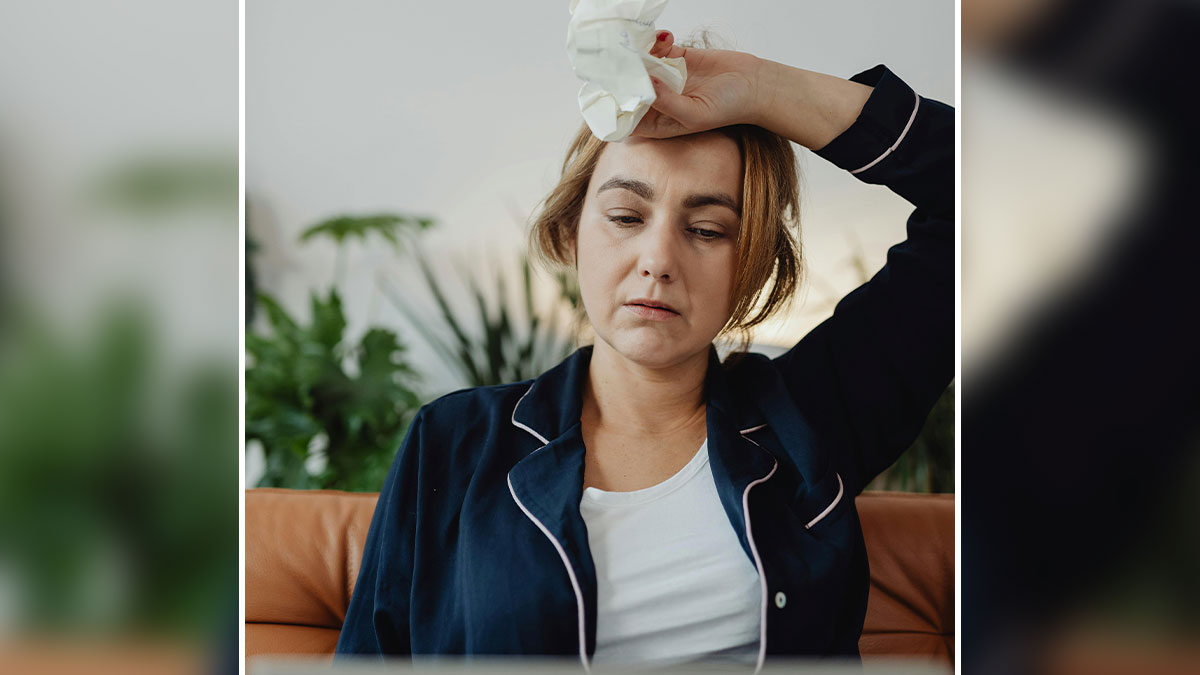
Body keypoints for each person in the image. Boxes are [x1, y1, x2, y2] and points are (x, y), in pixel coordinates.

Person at [335, 30, 953, 670]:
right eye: (627, 217)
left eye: (707, 229)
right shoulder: (455, 439)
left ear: (752, 267)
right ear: (571, 235)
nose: (658, 260)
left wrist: (762, 90)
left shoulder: (812, 419)